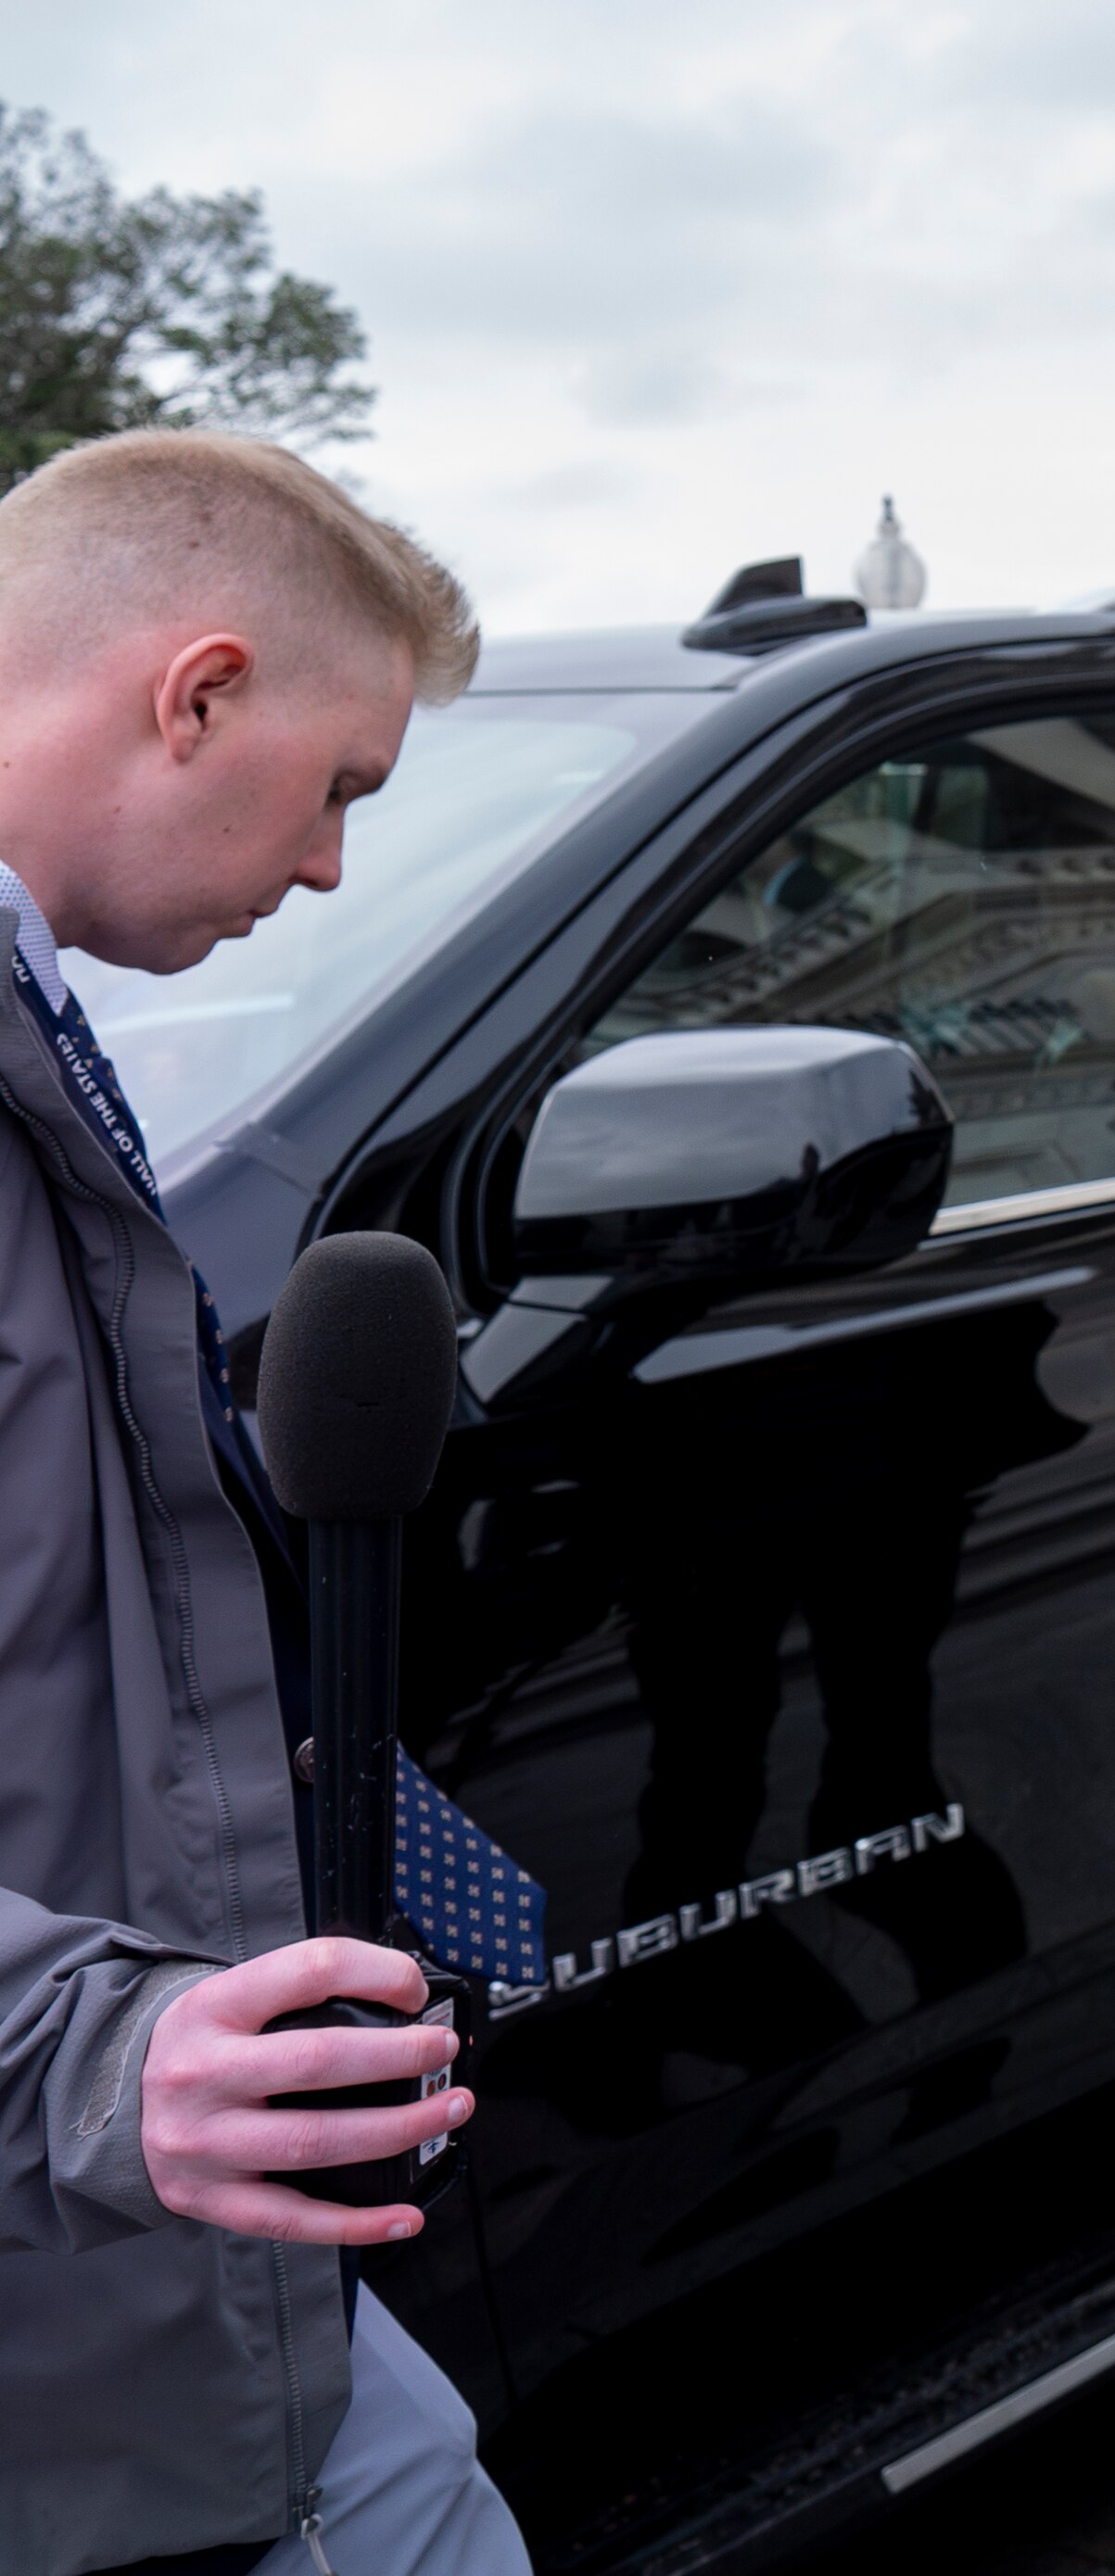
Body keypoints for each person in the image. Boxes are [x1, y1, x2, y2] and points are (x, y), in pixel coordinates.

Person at [0, 428, 531, 2573]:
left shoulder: (48, 1037)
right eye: (342, 785)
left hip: (172, 2300)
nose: (326, 869)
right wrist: (91, 2053)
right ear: (197, 690)